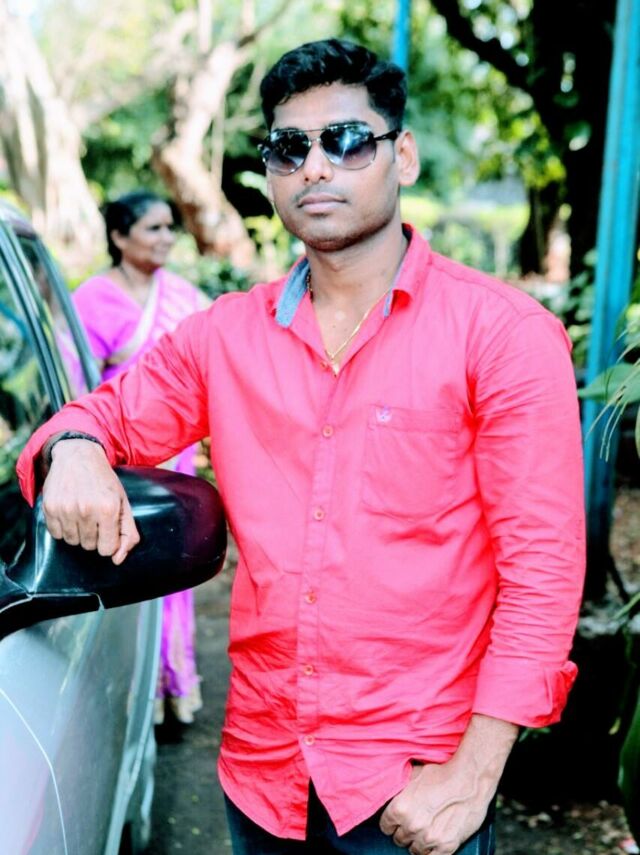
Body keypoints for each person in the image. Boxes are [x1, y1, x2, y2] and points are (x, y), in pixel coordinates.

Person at [17, 39, 586, 855]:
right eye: (290, 147)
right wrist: (75, 448)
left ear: (403, 156)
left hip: (415, 779)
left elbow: (543, 573)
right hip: (263, 774)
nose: (315, 166)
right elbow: (97, 416)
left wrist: (472, 775)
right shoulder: (224, 336)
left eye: (347, 140)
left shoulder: (502, 335)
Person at [72, 190, 209, 725]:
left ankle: (175, 690)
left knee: (174, 574)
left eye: (170, 227)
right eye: (153, 228)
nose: (166, 238)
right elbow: (77, 387)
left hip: (175, 465)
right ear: (119, 236)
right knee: (127, 574)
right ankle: (134, 703)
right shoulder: (93, 300)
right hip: (115, 467)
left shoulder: (185, 296)